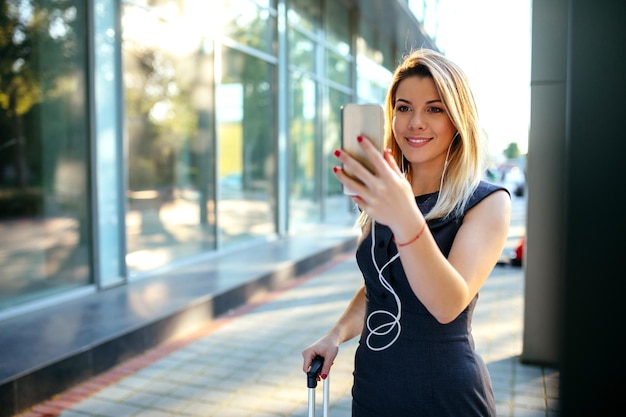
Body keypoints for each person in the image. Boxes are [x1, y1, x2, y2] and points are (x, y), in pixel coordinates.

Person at [301, 48, 511, 416]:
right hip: (374, 386)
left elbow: (447, 304)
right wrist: (334, 335)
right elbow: (380, 287)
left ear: (458, 119)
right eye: (403, 107)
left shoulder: (487, 203)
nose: (415, 122)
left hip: (444, 393)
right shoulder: (389, 194)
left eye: (434, 108)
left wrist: (404, 215)